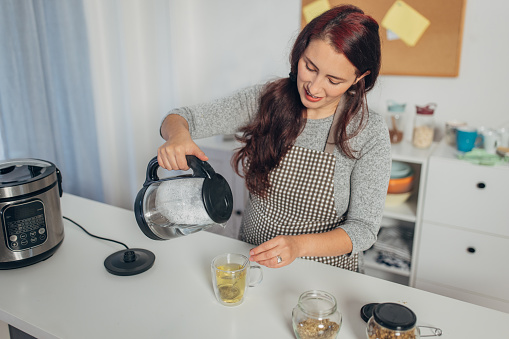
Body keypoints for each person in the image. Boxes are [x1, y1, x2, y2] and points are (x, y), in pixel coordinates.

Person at [157, 5, 391, 272]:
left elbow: (363, 229)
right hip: (252, 260)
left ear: (359, 78)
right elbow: (180, 117)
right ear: (300, 52)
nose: (314, 88)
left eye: (333, 80)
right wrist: (177, 136)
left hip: (324, 275)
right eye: (310, 67)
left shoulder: (368, 131)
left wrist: (298, 246)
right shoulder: (267, 101)